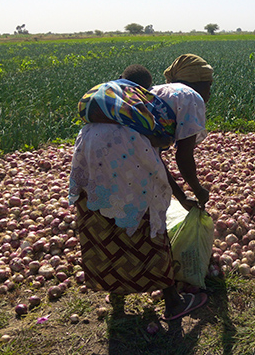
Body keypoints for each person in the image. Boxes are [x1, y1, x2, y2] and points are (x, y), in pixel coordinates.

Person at [68, 54, 212, 321]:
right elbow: (177, 156)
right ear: (202, 84)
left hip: (87, 145)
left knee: (102, 214)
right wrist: (197, 189)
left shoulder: (132, 99)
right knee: (147, 217)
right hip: (126, 148)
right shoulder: (185, 98)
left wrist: (181, 197)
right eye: (210, 85)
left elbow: (153, 158)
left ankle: (115, 287)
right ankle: (173, 302)